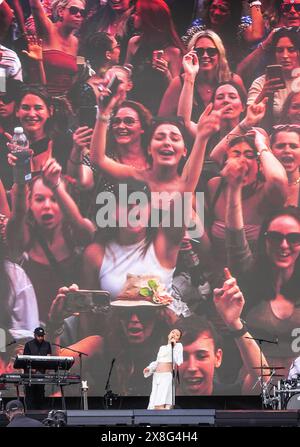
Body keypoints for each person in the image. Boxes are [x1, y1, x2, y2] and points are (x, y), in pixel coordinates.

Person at [178, 274, 269, 396]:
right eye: (182, 357)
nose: (192, 367)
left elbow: (262, 379)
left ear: (218, 358)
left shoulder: (227, 398)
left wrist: (234, 323)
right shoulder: (158, 401)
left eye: (201, 356)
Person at [158, 29, 245, 119]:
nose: (205, 56)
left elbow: (245, 116)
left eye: (211, 51)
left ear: (219, 54)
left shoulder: (234, 81)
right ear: (191, 54)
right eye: (199, 52)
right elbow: (162, 120)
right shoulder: (179, 83)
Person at [125, 0, 185, 115]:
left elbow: (175, 92)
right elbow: (126, 73)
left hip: (158, 109)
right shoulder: (134, 43)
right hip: (133, 106)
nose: (133, 16)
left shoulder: (173, 51)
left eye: (137, 13)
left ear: (149, 19)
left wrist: (166, 73)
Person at [29, 0, 86, 96]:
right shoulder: (48, 30)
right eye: (74, 10)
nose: (78, 15)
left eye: (82, 12)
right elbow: (35, 6)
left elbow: (78, 72)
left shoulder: (78, 43)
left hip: (64, 104)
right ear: (60, 11)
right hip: (40, 98)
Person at [144, 328, 183, 410]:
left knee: (160, 403)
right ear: (168, 334)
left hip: (166, 376)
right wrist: (149, 368)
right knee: (153, 402)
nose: (174, 335)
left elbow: (178, 360)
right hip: (157, 376)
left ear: (178, 339)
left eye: (177, 335)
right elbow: (158, 361)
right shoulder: (162, 348)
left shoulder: (178, 346)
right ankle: (151, 420)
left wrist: (173, 346)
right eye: (173, 332)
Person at [270, 124, 300, 207]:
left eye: (293, 146)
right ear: (270, 151)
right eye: (280, 146)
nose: (287, 150)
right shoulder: (260, 186)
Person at [23, 326, 52, 409]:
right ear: (35, 335)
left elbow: (49, 357)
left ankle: (41, 413)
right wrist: (32, 370)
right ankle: (30, 413)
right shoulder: (28, 344)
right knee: (30, 395)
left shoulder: (47, 344)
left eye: (42, 336)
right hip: (30, 374)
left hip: (41, 373)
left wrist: (46, 370)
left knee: (40, 394)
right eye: (39, 336)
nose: (40, 338)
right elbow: (25, 359)